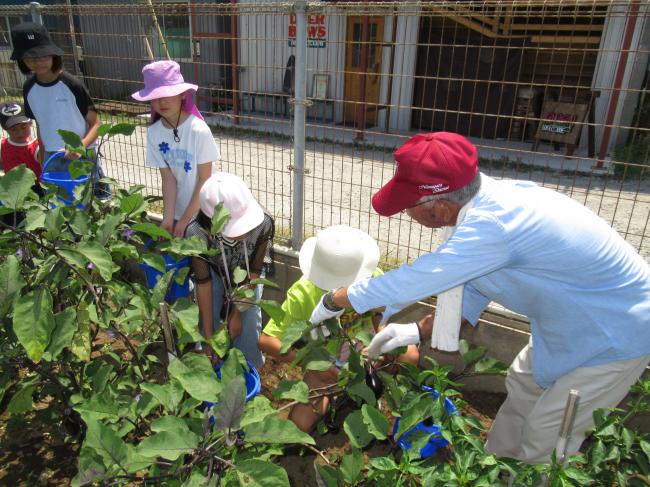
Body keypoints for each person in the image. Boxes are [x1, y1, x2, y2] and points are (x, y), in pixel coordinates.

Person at [309, 131, 650, 464]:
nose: (405, 215)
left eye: (407, 207)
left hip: (616, 331)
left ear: (439, 208)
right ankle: (496, 469)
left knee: (550, 432)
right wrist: (415, 331)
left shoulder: (495, 224)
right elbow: (471, 285)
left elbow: (420, 277)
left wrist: (336, 299)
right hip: (568, 321)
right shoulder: (478, 209)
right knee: (523, 387)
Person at [259, 224, 419, 433]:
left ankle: (374, 392)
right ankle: (340, 395)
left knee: (409, 355)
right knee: (299, 425)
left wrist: (380, 333)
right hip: (327, 360)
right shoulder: (304, 292)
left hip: (364, 345)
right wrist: (312, 363)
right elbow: (266, 340)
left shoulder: (371, 278)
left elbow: (376, 315)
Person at [10, 22, 109, 199]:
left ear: (53, 55)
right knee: (60, 205)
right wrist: (41, 156)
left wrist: (81, 147)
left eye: (43, 56)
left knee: (93, 203)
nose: (38, 62)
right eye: (31, 58)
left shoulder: (71, 84)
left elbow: (96, 123)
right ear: (22, 60)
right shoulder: (29, 88)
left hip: (82, 155)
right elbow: (40, 124)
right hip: (51, 156)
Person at [185, 172, 274, 369]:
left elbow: (254, 272)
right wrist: (209, 337)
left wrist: (236, 314)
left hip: (248, 275)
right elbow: (204, 284)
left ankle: (250, 368)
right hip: (214, 273)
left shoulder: (263, 223)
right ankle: (211, 360)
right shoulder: (197, 233)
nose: (243, 232)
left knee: (248, 322)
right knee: (212, 322)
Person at [132, 60, 219, 237]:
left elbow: (205, 179)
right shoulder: (154, 133)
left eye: (168, 94)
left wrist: (186, 220)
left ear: (182, 95)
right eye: (155, 96)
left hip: (207, 211)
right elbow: (168, 179)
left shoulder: (198, 130)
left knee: (204, 259)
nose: (162, 101)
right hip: (180, 210)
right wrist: (167, 219)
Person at [0, 101, 43, 228]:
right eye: (14, 129)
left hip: (34, 190)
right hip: (11, 191)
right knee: (12, 223)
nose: (20, 133)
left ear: (30, 123)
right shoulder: (3, 145)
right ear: (6, 129)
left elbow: (42, 159)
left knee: (32, 222)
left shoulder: (35, 146)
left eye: (24, 127)